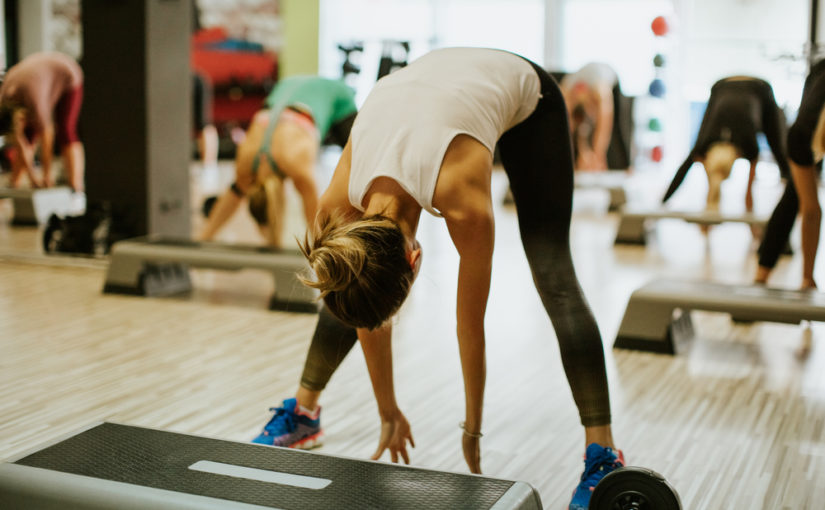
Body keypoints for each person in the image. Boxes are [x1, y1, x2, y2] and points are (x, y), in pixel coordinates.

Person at [251, 48, 622, 510]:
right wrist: (387, 411)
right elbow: (366, 307)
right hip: (434, 91)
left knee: (553, 272)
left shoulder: (462, 195)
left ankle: (603, 453)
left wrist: (472, 426)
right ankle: (305, 411)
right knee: (352, 280)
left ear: (416, 259)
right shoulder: (338, 208)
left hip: (529, 98)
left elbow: (470, 327)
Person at [197, 76, 357, 247]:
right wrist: (203, 239)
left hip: (336, 93)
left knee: (356, 165)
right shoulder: (246, 160)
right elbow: (232, 196)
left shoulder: (294, 162)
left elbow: (316, 220)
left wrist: (324, 255)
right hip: (287, 87)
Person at [661, 76, 790, 216]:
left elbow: (685, 168)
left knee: (778, 149)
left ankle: (793, 190)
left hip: (747, 87)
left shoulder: (704, 145)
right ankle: (791, 186)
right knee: (779, 150)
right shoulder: (709, 145)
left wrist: (662, 202)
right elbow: (748, 195)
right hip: (731, 86)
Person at [756, 61, 825, 289]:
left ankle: (769, 276)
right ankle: (763, 276)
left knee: (796, 201)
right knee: (794, 200)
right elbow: (812, 211)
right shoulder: (802, 135)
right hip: (802, 137)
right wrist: (808, 277)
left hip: (808, 132)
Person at [0, 52, 85, 192]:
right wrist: (33, 178)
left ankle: (75, 186)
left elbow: (48, 135)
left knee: (65, 130)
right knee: (29, 136)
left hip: (67, 73)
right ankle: (13, 184)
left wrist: (46, 176)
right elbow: (21, 144)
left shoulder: (33, 101)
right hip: (36, 79)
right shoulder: (4, 103)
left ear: (22, 116)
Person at [560, 62, 620, 171]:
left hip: (608, 77)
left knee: (613, 136)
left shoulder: (601, 90)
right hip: (581, 88)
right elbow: (566, 129)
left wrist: (598, 154)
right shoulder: (566, 91)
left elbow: (605, 123)